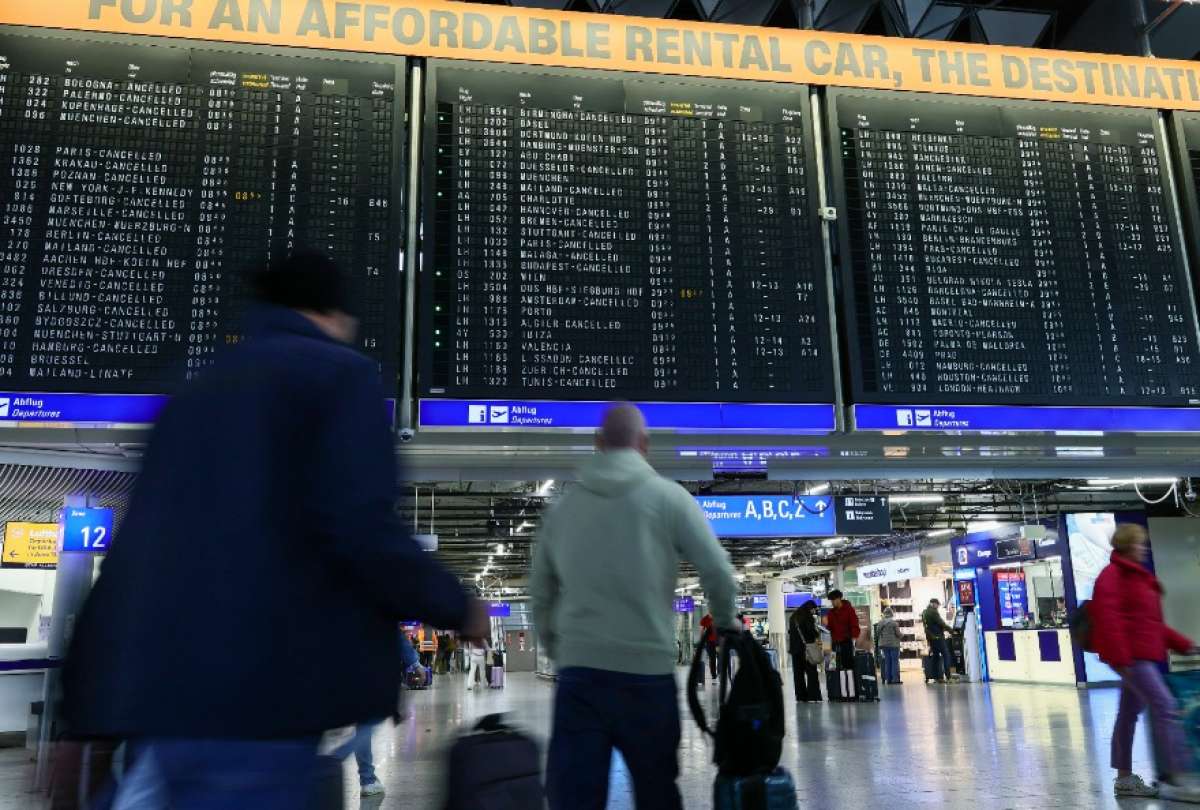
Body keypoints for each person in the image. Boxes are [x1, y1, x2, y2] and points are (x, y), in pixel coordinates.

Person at [62, 250, 489, 809]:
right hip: (263, 701)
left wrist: (78, 716)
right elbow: (360, 526)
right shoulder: (340, 376)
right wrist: (456, 606)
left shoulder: (191, 397)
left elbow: (130, 561)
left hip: (159, 708)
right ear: (335, 314)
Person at [531, 403, 738, 810]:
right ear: (644, 445)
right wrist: (726, 623)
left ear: (597, 444)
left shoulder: (563, 510)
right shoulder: (669, 498)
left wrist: (561, 650)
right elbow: (718, 570)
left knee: (573, 799)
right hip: (648, 678)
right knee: (657, 792)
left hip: (581, 680)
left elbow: (541, 593)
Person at [1091, 523, 1200, 802]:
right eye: (1140, 544)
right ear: (1127, 546)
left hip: (1142, 656)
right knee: (1167, 707)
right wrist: (1122, 661)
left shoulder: (1138, 578)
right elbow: (1109, 621)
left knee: (1127, 715)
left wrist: (1184, 644)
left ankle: (1124, 778)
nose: (1144, 548)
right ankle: (1177, 777)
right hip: (1133, 659)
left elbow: (1151, 625)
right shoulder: (1112, 577)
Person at [826, 589, 860, 702]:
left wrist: (853, 638)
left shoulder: (849, 610)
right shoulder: (830, 613)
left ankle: (850, 693)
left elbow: (854, 625)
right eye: (831, 601)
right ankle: (837, 693)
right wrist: (826, 625)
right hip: (834, 644)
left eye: (834, 600)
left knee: (848, 666)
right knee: (833, 666)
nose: (832, 603)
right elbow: (829, 628)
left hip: (846, 642)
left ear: (839, 599)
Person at [788, 602, 823, 702]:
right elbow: (811, 632)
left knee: (798, 674)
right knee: (811, 673)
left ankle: (800, 696)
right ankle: (813, 696)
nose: (814, 611)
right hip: (807, 650)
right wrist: (817, 632)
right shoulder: (808, 617)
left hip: (795, 651)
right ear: (809, 608)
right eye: (813, 609)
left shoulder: (793, 617)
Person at [922, 598, 954, 683]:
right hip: (938, 638)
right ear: (933, 603)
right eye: (937, 605)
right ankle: (948, 676)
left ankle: (937, 677)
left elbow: (927, 627)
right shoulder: (933, 612)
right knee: (946, 655)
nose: (937, 606)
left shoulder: (924, 612)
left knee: (935, 657)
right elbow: (941, 623)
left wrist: (929, 639)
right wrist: (952, 631)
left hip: (931, 638)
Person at [875, 608, 903, 685]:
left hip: (883, 645)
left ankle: (888, 679)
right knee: (894, 662)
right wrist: (902, 635)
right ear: (891, 614)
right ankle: (895, 679)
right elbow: (898, 634)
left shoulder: (880, 623)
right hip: (893, 645)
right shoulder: (894, 623)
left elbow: (877, 633)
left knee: (887, 662)